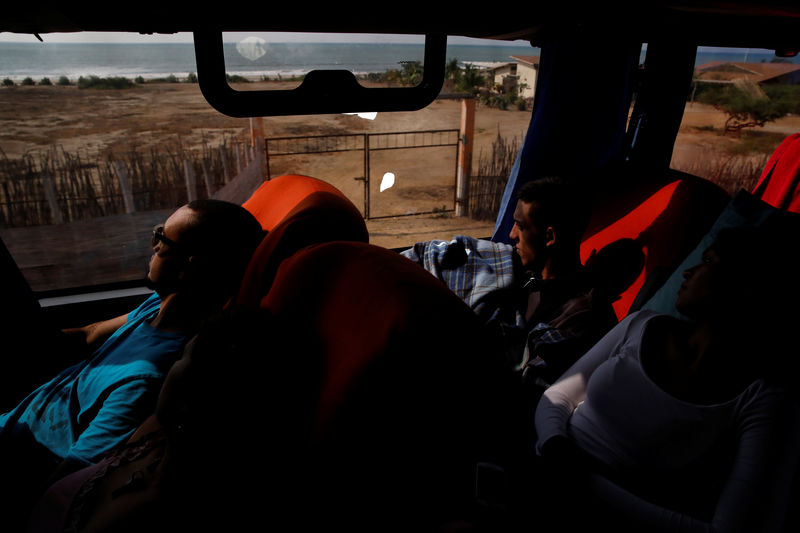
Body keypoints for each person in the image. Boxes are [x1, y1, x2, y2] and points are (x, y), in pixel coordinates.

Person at [0, 199, 264, 529]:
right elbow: (89, 334)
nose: (153, 245)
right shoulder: (157, 308)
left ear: (187, 266)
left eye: (162, 239)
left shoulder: (146, 378)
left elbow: (74, 468)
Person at [532, 223, 800, 532]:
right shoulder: (642, 325)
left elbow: (727, 530)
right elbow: (558, 396)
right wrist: (555, 446)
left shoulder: (761, 398)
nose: (688, 272)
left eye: (709, 262)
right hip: (547, 457)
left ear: (747, 286)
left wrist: (582, 481)